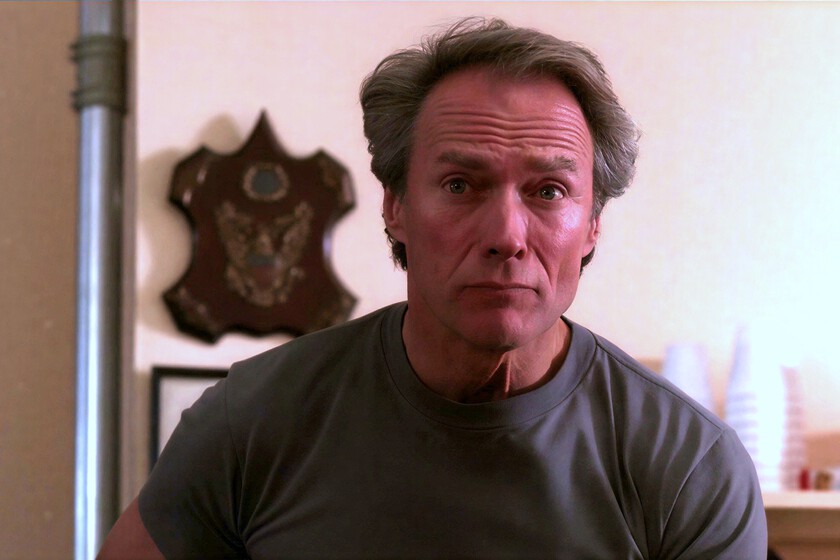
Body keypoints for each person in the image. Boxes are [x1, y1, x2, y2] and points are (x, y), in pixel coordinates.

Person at [99, 17, 767, 559]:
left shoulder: (689, 466)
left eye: (549, 191)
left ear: (592, 224)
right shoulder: (252, 421)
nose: (507, 234)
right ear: (395, 207)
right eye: (460, 184)